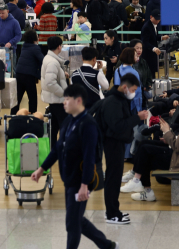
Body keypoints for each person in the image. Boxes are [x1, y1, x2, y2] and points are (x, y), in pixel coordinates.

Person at [31, 85, 119, 249]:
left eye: (66, 99)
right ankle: (107, 245)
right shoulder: (69, 121)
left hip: (80, 181)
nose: (63, 103)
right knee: (76, 219)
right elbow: (58, 148)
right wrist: (42, 169)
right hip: (69, 178)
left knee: (72, 223)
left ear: (78, 101)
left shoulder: (88, 125)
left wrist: (85, 185)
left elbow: (89, 157)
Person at [122, 99, 179, 201]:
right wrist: (168, 137)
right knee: (144, 145)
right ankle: (140, 183)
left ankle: (139, 182)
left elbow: (177, 146)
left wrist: (167, 132)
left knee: (145, 151)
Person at [97, 73, 147, 224]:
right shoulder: (113, 102)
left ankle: (113, 210)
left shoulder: (119, 99)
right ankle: (112, 213)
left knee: (115, 177)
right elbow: (118, 126)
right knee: (113, 178)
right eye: (132, 90)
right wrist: (137, 118)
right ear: (125, 87)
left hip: (116, 142)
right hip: (112, 143)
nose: (133, 93)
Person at [41, 36, 69, 150]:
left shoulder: (51, 59)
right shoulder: (52, 62)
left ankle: (53, 150)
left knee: (54, 127)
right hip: (58, 100)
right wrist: (64, 93)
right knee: (63, 126)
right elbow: (50, 83)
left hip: (55, 100)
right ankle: (63, 149)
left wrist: (62, 73)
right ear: (59, 46)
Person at [12, 30, 44, 115]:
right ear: (34, 38)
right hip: (28, 76)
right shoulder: (35, 48)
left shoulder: (24, 46)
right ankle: (33, 117)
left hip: (19, 73)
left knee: (17, 98)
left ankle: (12, 117)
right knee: (32, 98)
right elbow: (43, 60)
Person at [141, 9, 169, 74]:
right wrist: (153, 48)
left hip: (153, 53)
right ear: (151, 17)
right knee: (149, 73)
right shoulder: (146, 27)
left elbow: (153, 37)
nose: (158, 21)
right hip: (148, 54)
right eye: (156, 19)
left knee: (153, 73)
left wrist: (162, 37)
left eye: (159, 19)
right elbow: (145, 42)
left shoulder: (154, 25)